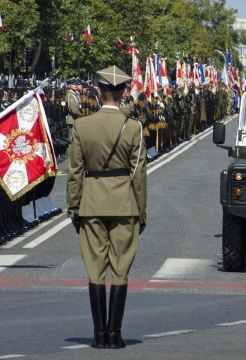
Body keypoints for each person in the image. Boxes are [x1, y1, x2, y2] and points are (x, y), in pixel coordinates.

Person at [67, 65, 147, 349]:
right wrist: (142, 209)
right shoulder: (134, 126)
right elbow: (138, 173)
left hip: (91, 203)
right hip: (124, 203)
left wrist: (74, 206)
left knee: (95, 270)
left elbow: (75, 171)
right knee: (121, 269)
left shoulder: (81, 125)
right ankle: (115, 334)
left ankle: (99, 334)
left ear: (99, 92)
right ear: (124, 92)